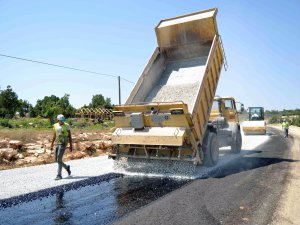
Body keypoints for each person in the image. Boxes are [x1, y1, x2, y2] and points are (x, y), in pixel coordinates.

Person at [50, 114, 72, 180]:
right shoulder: (55, 125)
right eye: (61, 120)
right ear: (58, 120)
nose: (62, 121)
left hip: (63, 143)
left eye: (63, 120)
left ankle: (59, 175)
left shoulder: (67, 125)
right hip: (56, 143)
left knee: (59, 159)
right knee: (56, 160)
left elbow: (69, 136)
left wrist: (71, 146)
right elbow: (54, 135)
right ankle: (67, 167)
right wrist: (52, 144)